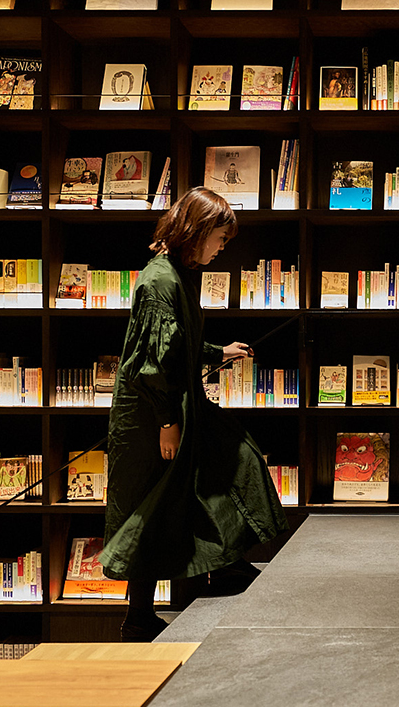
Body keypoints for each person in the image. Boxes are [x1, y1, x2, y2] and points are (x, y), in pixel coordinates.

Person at [101, 187, 288, 642]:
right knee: (152, 505)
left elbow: (175, 344)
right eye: (220, 238)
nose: (222, 248)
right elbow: (151, 361)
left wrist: (215, 351)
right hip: (150, 413)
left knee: (231, 461)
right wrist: (167, 422)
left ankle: (223, 567)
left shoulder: (179, 275)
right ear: (197, 231)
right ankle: (139, 615)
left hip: (174, 400)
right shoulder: (159, 280)